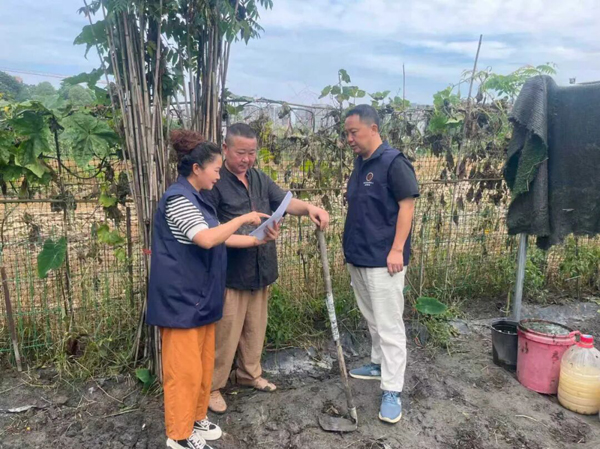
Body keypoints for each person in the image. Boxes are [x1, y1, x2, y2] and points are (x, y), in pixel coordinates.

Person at [147, 130, 279, 449]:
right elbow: (206, 238)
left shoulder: (198, 199)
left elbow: (220, 235)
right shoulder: (178, 199)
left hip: (200, 299)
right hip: (180, 302)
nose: (219, 176)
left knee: (202, 366)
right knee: (184, 371)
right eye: (216, 170)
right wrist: (243, 218)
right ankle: (178, 435)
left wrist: (256, 240)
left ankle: (195, 419)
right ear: (197, 169)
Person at [204, 123, 330, 414]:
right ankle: (212, 386)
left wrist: (309, 208)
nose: (247, 159)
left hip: (261, 268)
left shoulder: (259, 178)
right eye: (241, 153)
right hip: (231, 273)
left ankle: (249, 374)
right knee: (225, 334)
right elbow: (211, 231)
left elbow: (286, 202)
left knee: (255, 328)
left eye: (252, 153)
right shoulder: (215, 183)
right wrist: (248, 237)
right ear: (225, 149)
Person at [342, 105, 419, 424]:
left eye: (354, 132)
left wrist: (397, 249)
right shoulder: (360, 163)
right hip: (358, 256)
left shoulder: (393, 162)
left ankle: (392, 390)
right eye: (347, 134)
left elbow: (407, 207)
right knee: (372, 318)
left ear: (373, 129)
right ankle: (377, 364)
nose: (349, 139)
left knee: (389, 325)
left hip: (384, 260)